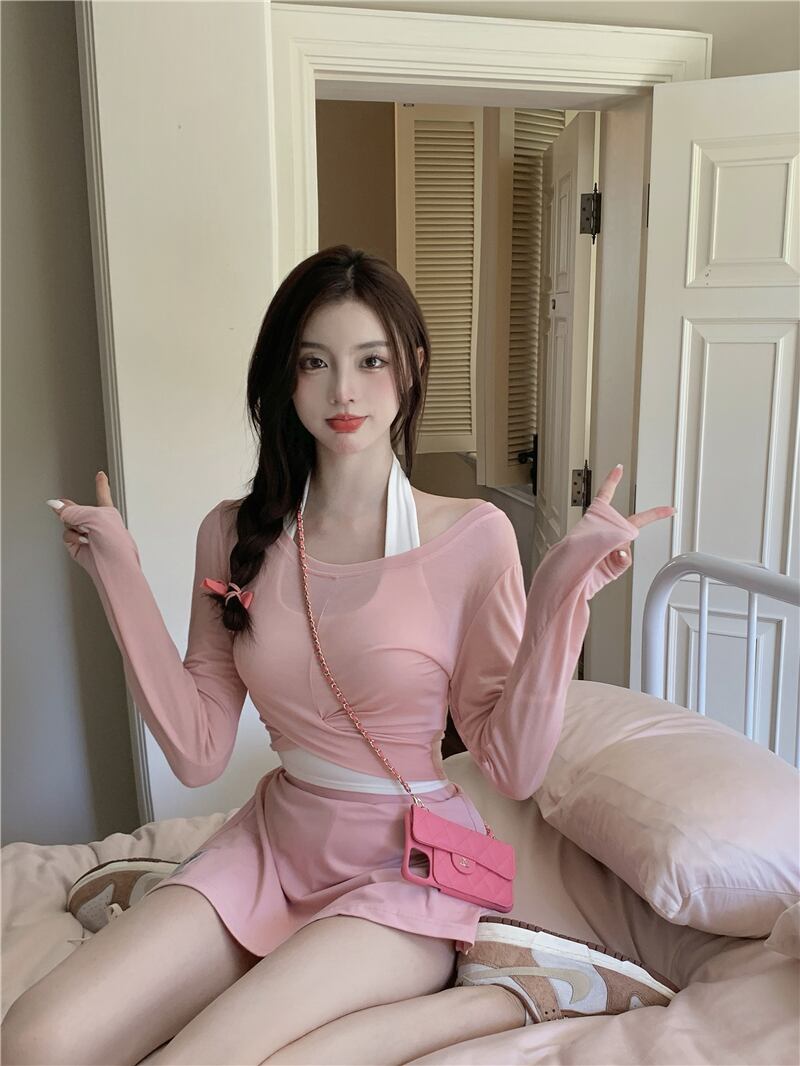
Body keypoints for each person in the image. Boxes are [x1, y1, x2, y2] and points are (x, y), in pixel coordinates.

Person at [3, 246, 678, 1065]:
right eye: (314, 362)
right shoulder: (233, 533)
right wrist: (119, 573)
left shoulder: (473, 537)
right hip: (272, 844)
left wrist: (563, 595)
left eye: (371, 361)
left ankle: (508, 997)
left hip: (405, 871)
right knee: (35, 1041)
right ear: (285, 379)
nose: (343, 392)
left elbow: (511, 766)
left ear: (411, 367)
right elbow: (198, 750)